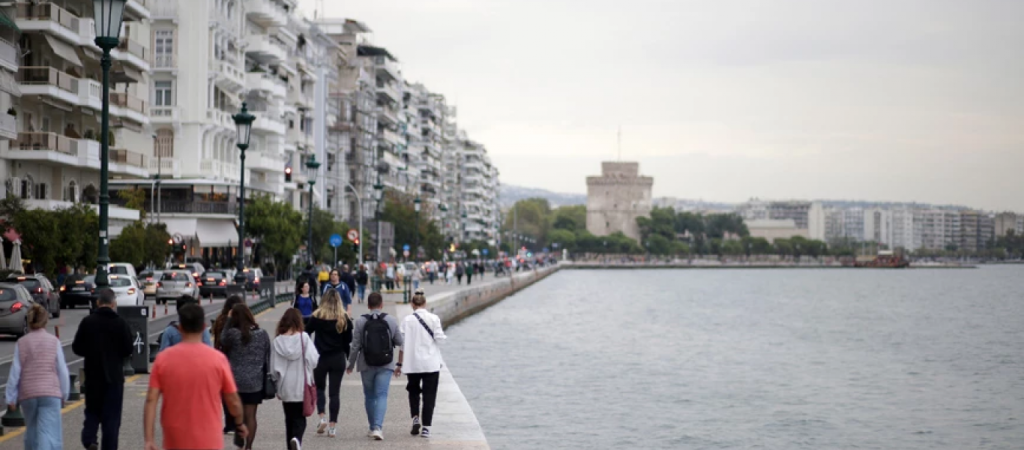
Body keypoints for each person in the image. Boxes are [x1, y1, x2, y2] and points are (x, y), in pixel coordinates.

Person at [144, 304, 247, 450]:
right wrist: (239, 424)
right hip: (209, 437)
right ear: (203, 327)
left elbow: (151, 400)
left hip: (175, 437)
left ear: (180, 328)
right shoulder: (218, 360)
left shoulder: (163, 359)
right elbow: (233, 401)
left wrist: (149, 439)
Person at [72, 288, 133, 450]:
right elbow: (128, 349)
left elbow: (77, 348)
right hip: (114, 378)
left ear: (98, 303)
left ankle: (90, 439)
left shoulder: (88, 322)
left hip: (93, 377)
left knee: (92, 411)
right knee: (111, 419)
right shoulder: (121, 323)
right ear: (114, 304)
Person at [6, 304, 69, 450]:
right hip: (50, 393)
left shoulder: (21, 343)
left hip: (28, 394)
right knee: (49, 433)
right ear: (45, 321)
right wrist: (64, 394)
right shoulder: (54, 341)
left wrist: (10, 397)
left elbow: (15, 372)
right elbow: (62, 371)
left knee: (32, 431)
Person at [347, 292, 404, 440]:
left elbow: (355, 346)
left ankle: (372, 427)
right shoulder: (390, 320)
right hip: (386, 364)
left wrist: (350, 364)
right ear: (382, 304)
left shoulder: (360, 321)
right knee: (382, 395)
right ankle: (378, 427)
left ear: (368, 306)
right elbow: (400, 341)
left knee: (370, 396)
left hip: (366, 364)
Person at [220, 304, 271, 450]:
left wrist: (228, 320)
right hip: (255, 381)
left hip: (235, 381)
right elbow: (267, 354)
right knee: (251, 416)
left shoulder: (233, 334)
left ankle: (240, 439)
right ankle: (249, 446)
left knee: (238, 413)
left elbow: (222, 340)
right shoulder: (262, 333)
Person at [398, 290, 447, 438]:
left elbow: (401, 345)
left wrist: (399, 364)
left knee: (413, 392)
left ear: (412, 304)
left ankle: (415, 418)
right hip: (430, 364)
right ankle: (426, 427)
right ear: (425, 303)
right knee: (429, 395)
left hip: (412, 364)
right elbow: (440, 339)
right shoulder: (434, 318)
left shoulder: (406, 321)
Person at [306, 289, 353, 438]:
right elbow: (348, 342)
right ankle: (332, 426)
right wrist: (349, 360)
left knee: (319, 388)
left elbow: (306, 333)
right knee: (334, 393)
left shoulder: (317, 316)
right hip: (337, 358)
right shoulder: (344, 318)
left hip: (320, 357)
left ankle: (322, 417)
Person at [273, 308, 319, 450]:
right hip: (301, 385)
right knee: (300, 419)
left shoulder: (277, 341)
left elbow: (274, 369)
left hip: (285, 387)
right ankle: (297, 439)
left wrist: (276, 385)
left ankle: (291, 445)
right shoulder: (303, 338)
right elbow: (314, 359)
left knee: (289, 419)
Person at [212, 295, 244, 434]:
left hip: (221, 358)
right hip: (234, 358)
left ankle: (229, 423)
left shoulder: (220, 319)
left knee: (225, 392)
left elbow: (217, 339)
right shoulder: (237, 322)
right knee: (236, 392)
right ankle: (237, 421)